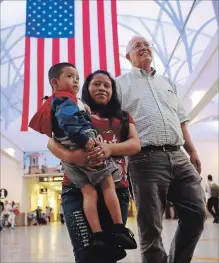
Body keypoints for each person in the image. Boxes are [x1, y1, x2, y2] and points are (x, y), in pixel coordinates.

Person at [114, 35, 206, 263]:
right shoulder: (119, 84)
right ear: (128, 56)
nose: (143, 47)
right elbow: (111, 121)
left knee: (196, 214)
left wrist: (192, 150)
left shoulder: (167, 82)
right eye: (137, 46)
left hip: (179, 154)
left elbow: (181, 119)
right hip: (144, 159)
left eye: (146, 44)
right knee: (150, 228)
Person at [29, 63, 137, 253]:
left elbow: (135, 144)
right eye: (96, 84)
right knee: (87, 255)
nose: (102, 88)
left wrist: (108, 149)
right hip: (76, 187)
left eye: (107, 85)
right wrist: (72, 156)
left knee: (111, 254)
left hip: (117, 187)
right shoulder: (75, 108)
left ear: (113, 90)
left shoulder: (123, 116)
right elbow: (51, 143)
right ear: (87, 88)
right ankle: (108, 233)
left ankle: (105, 234)